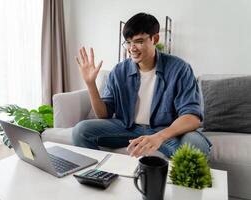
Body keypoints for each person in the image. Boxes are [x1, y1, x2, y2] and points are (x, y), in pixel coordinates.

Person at [73, 12, 212, 158]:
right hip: (127, 128)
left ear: (155, 39)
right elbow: (103, 114)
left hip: (164, 130)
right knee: (81, 130)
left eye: (139, 41)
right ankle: (98, 175)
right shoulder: (119, 70)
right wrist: (90, 84)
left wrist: (159, 137)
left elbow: (192, 117)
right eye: (128, 42)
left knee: (196, 147)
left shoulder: (179, 69)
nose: (132, 48)